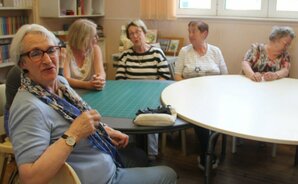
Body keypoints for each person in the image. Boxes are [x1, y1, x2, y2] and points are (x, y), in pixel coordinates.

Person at [8, 24, 177, 184]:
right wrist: (74, 133)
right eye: (36, 53)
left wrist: (104, 130)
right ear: (22, 63)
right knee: (169, 174)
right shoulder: (28, 107)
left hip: (106, 163)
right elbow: (30, 178)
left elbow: (79, 120)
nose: (47, 59)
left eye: (51, 50)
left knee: (139, 154)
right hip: (101, 179)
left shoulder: (60, 84)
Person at [175, 20, 228, 171]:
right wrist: (190, 88)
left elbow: (225, 76)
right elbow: (177, 76)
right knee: (200, 116)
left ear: (204, 34)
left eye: (194, 32)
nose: (190, 35)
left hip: (214, 96)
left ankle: (207, 151)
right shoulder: (185, 51)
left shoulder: (215, 51)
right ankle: (207, 153)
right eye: (189, 31)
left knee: (219, 118)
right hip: (191, 96)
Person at [115, 19, 171, 161]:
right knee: (127, 115)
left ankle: (151, 154)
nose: (135, 36)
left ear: (145, 33)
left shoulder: (157, 53)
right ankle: (132, 150)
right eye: (131, 34)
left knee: (151, 118)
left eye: (138, 32)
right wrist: (130, 95)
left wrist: (149, 93)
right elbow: (119, 80)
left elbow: (165, 78)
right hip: (130, 97)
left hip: (152, 96)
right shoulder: (125, 55)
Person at [63, 19, 106, 90]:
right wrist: (87, 85)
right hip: (72, 92)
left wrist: (99, 80)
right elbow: (66, 79)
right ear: (82, 38)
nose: (97, 38)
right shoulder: (64, 51)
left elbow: (101, 73)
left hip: (91, 91)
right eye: (94, 36)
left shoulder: (95, 49)